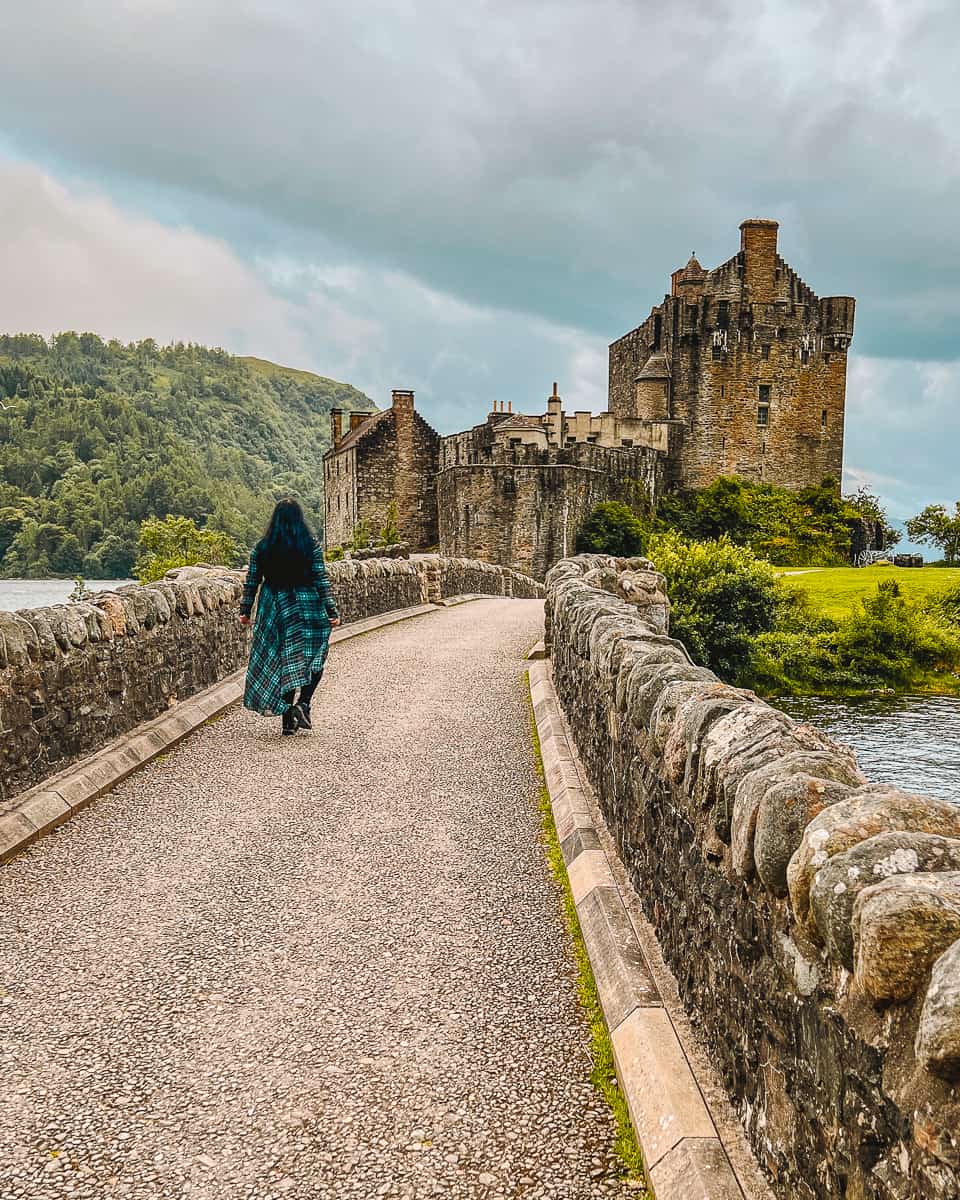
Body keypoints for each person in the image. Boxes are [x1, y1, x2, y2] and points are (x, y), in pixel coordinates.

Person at [238, 498, 341, 735]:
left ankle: (287, 722)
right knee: (314, 657)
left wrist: (245, 610)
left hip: (274, 608)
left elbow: (252, 581)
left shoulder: (262, 547)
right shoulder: (310, 545)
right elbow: (320, 579)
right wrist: (331, 610)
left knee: (284, 660)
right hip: (307, 606)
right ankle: (303, 703)